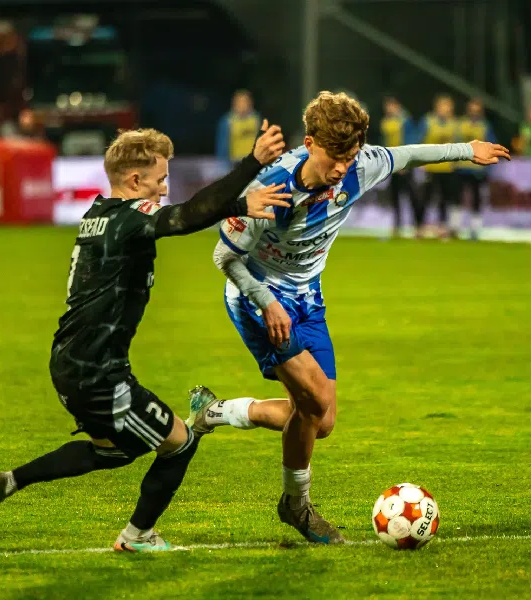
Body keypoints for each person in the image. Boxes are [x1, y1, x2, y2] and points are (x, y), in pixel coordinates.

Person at [187, 91, 509, 544]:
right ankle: (296, 505)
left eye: (350, 155)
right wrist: (266, 302)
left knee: (321, 421)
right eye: (334, 156)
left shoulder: (360, 166)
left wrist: (466, 150)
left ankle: (215, 412)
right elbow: (224, 256)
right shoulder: (271, 188)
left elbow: (408, 154)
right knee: (315, 400)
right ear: (309, 143)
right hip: (259, 300)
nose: (342, 167)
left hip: (308, 299)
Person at [0, 124, 291, 552]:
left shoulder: (100, 214)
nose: (164, 189)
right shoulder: (129, 219)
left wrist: (234, 200)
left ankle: (5, 482)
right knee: (180, 444)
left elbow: (185, 213)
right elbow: (187, 217)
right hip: (98, 373)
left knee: (114, 451)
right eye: (160, 180)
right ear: (135, 181)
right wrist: (250, 168)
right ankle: (137, 536)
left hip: (73, 361)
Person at [417, 95, 461, 237]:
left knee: (445, 198)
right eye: (443, 106)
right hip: (430, 166)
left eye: (448, 106)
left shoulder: (454, 124)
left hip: (447, 167)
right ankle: (420, 226)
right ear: (437, 107)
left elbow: (458, 144)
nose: (446, 109)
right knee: (425, 197)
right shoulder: (428, 121)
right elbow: (420, 140)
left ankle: (443, 226)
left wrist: (456, 161)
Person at [455, 98, 498, 239]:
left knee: (476, 199)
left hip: (478, 168)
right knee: (457, 198)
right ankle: (455, 227)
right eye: (472, 110)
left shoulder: (485, 126)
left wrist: (488, 165)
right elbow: (453, 143)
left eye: (476, 110)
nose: (474, 112)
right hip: (461, 167)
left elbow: (491, 145)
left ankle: (475, 229)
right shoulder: (460, 124)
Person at [379, 95, 419, 237]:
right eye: (387, 106)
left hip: (404, 164)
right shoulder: (385, 121)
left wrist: (405, 163)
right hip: (392, 164)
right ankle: (397, 225)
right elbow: (384, 142)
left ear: (397, 106)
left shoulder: (405, 121)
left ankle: (417, 225)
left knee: (411, 195)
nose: (389, 109)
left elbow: (410, 142)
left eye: (391, 106)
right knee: (394, 196)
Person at [216, 89, 262, 167]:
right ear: (234, 104)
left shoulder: (256, 119)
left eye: (245, 102)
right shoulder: (227, 120)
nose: (242, 105)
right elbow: (221, 144)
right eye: (239, 102)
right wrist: (223, 163)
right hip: (234, 162)